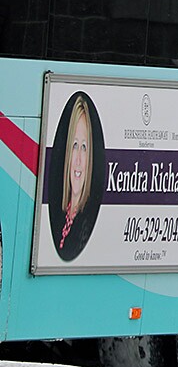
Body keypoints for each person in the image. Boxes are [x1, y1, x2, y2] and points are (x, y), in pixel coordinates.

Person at [59, 94, 93, 252]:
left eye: (84, 148)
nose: (78, 159)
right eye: (75, 145)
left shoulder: (86, 225)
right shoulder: (59, 215)